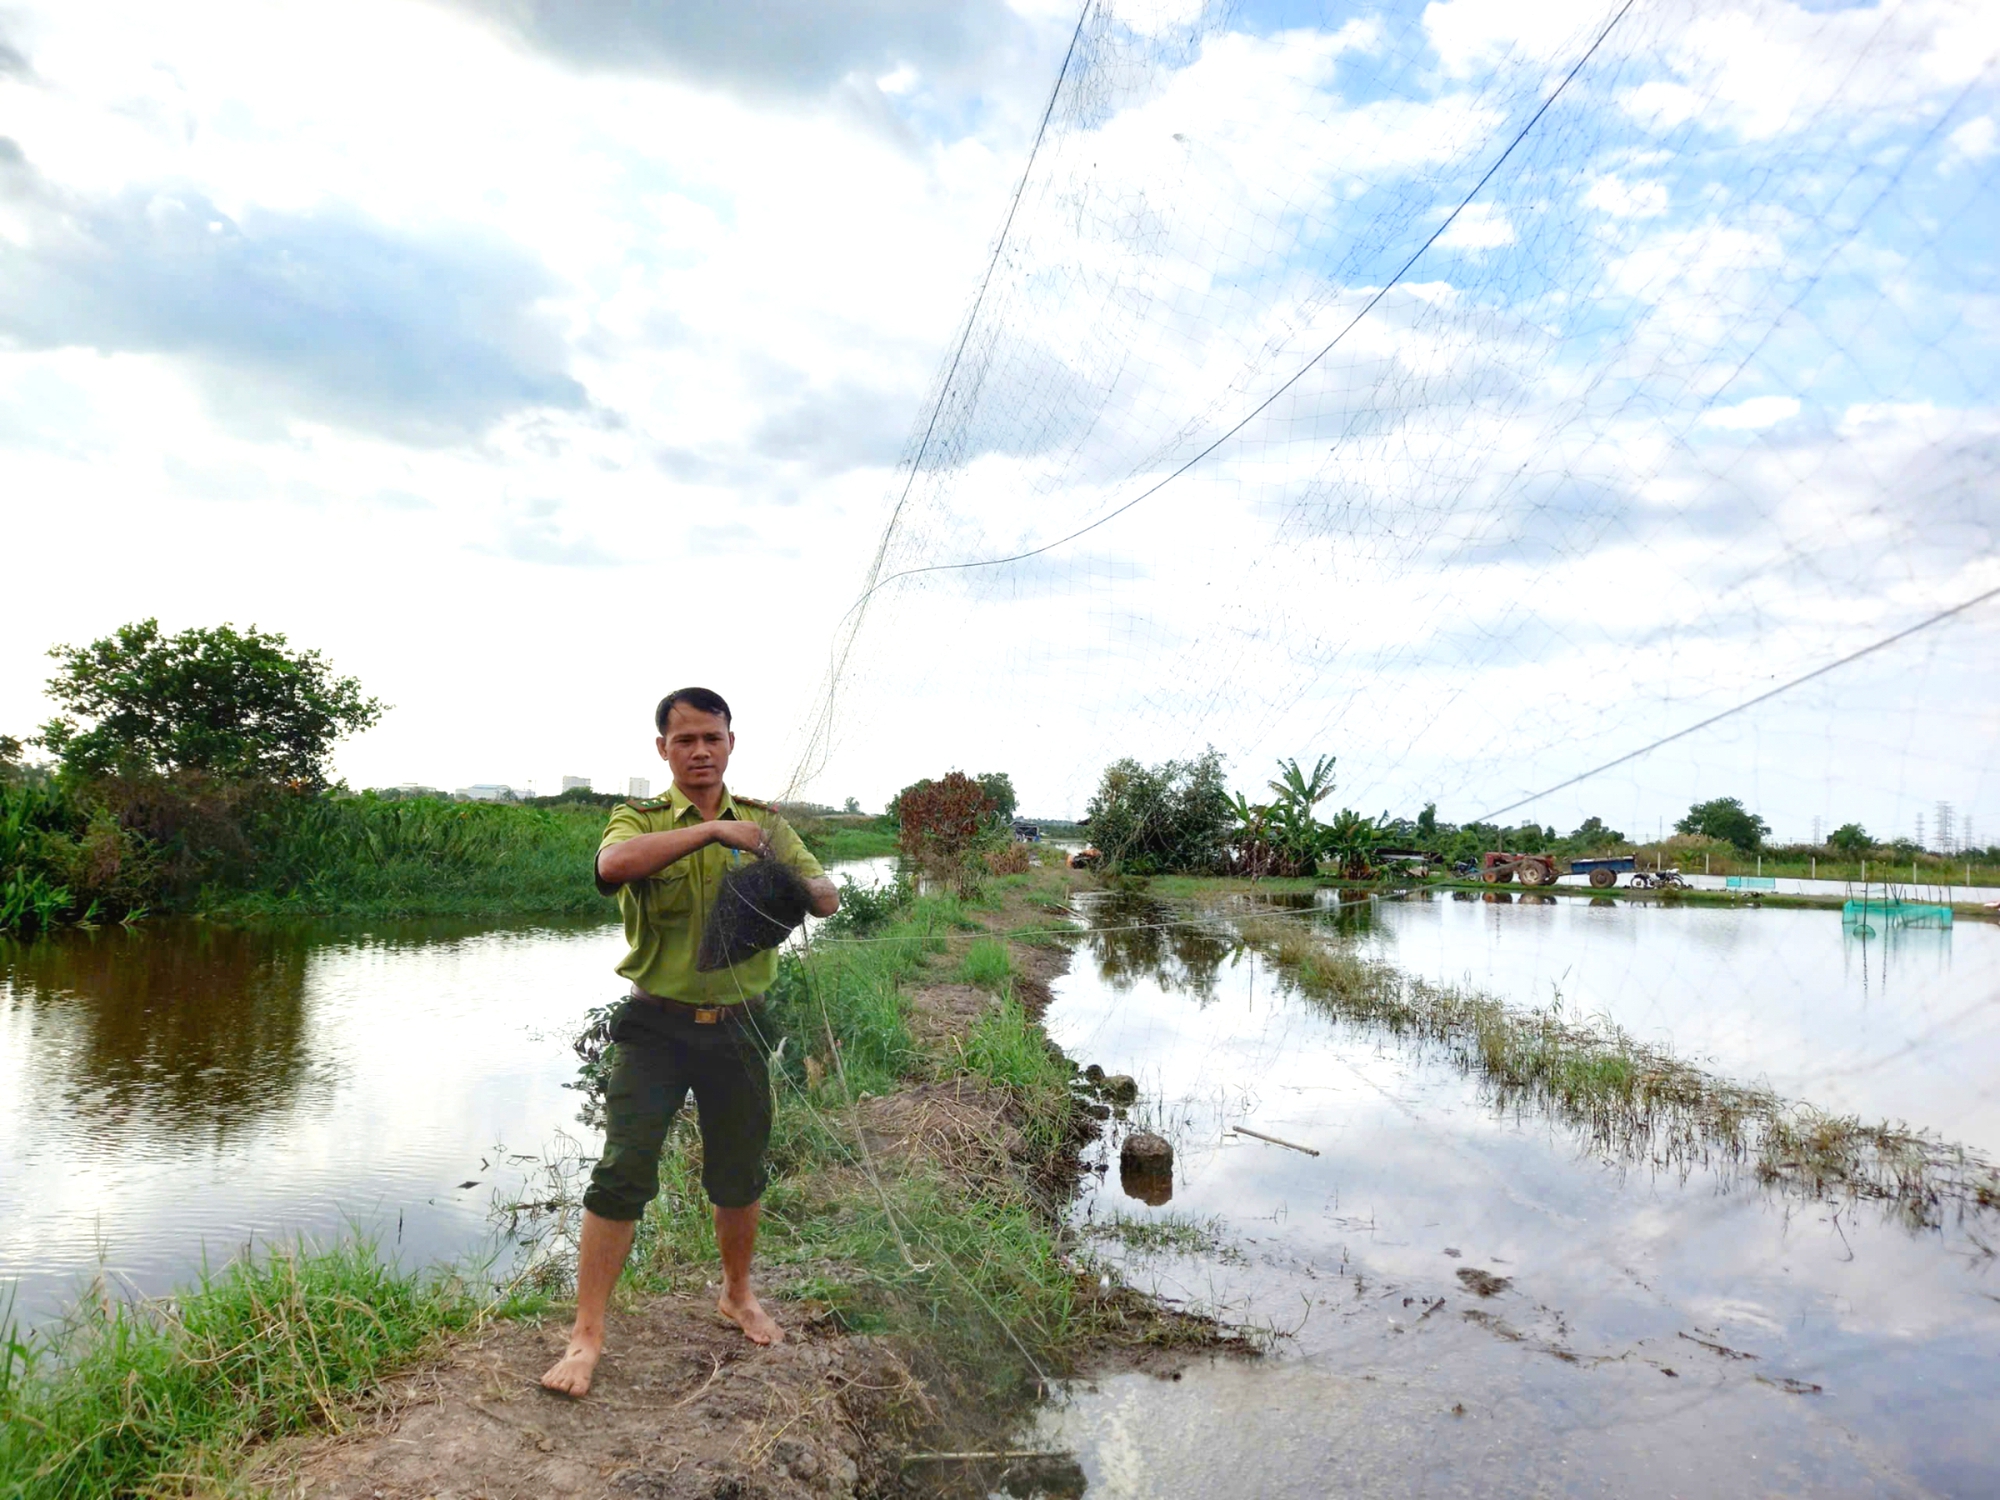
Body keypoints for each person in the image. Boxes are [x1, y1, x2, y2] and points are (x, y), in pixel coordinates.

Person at [541, 686, 839, 1398]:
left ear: (732, 742)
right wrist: (709, 834)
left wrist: (804, 883)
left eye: (712, 738)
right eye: (685, 741)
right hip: (656, 1026)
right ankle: (586, 1335)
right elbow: (612, 868)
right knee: (623, 1172)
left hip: (740, 1025)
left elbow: (825, 892)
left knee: (738, 1172)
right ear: (663, 750)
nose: (700, 751)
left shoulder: (767, 822)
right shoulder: (635, 819)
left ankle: (737, 1293)